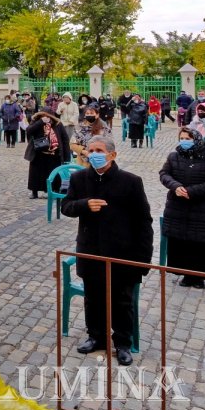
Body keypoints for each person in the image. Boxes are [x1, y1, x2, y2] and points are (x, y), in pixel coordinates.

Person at [61, 134, 153, 366]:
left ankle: (122, 342)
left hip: (123, 253)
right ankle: (96, 336)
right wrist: (85, 205)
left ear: (112, 155)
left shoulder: (131, 181)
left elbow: (144, 221)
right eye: (90, 151)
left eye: (99, 151)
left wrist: (142, 261)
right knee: (93, 298)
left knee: (122, 301)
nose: (94, 155)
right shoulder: (79, 179)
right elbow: (67, 206)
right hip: (90, 250)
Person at [159, 129, 205, 288]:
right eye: (181, 138)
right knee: (180, 240)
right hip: (177, 205)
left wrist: (192, 191)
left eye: (187, 138)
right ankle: (186, 274)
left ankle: (199, 276)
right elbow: (164, 174)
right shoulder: (174, 156)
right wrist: (176, 186)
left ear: (196, 139)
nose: (184, 141)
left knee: (199, 241)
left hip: (202, 206)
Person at [25, 108, 71, 199]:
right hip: (38, 153)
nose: (45, 117)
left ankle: (51, 190)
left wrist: (66, 156)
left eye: (47, 116)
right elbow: (29, 131)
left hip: (54, 154)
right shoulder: (36, 122)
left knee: (52, 174)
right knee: (35, 174)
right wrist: (40, 122)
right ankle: (34, 192)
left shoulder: (58, 124)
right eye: (43, 116)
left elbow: (65, 139)